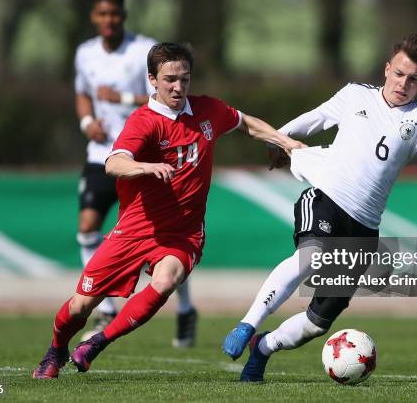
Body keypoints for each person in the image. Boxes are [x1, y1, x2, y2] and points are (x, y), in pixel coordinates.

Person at [222, 33, 417, 382]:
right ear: (387, 68)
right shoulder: (355, 96)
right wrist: (279, 139)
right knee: (310, 255)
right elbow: (314, 119)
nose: (403, 84)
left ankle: (263, 347)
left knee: (317, 324)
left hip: (364, 229)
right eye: (398, 74)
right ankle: (247, 324)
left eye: (413, 79)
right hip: (326, 200)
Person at [32, 42, 305, 379]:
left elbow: (245, 122)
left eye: (185, 79)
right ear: (152, 79)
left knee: (166, 279)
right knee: (80, 305)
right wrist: (146, 167)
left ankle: (98, 343)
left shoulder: (207, 111)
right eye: (170, 79)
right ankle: (56, 348)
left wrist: (286, 143)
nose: (178, 87)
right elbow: (114, 164)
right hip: (135, 229)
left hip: (183, 232)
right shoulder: (144, 122)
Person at [74, 0, 197, 347]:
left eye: (114, 12)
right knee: (87, 224)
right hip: (106, 155)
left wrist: (122, 100)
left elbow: (169, 97)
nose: (108, 19)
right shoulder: (85, 53)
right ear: (94, 16)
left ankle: (186, 309)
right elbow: (82, 92)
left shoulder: (143, 49)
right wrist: (86, 122)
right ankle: (108, 307)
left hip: (150, 158)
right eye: (102, 13)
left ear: (123, 15)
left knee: (169, 240)